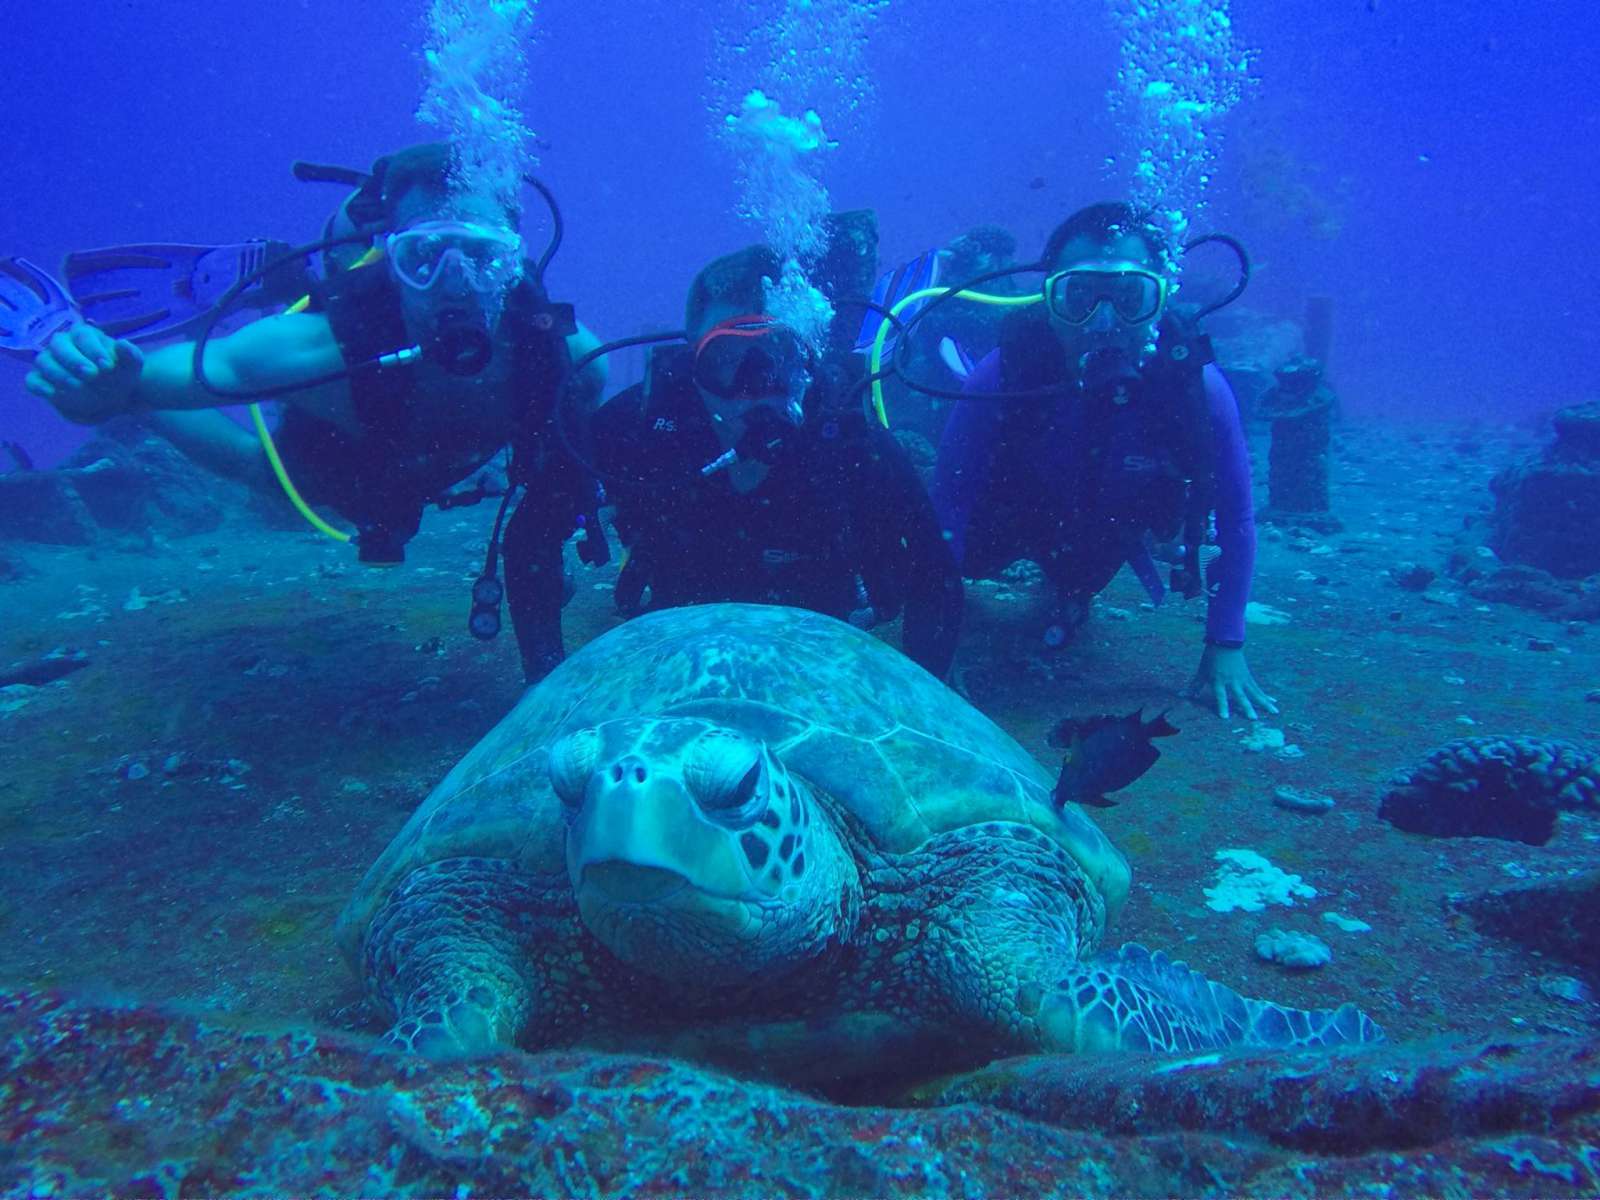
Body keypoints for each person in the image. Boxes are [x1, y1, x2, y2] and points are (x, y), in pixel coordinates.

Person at [22, 142, 607, 684]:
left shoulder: (569, 361)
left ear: (513, 265)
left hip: (427, 460)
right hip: (350, 451)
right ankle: (281, 281)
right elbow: (142, 385)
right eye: (423, 256)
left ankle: (291, 274)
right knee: (262, 469)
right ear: (388, 258)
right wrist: (94, 379)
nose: (455, 285)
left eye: (483, 257)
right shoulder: (315, 349)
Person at [930, 203, 1276, 719]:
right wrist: (936, 625)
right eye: (1080, 297)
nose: (1105, 322)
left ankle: (1067, 592)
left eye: (1131, 298)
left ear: (1160, 300)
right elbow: (950, 500)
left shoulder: (1198, 390)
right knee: (965, 555)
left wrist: (1226, 645)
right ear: (1050, 302)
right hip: (1011, 516)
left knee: (1078, 583)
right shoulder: (1000, 376)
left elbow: (1236, 517)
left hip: (1105, 532)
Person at [589, 245, 964, 678]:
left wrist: (928, 686)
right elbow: (536, 533)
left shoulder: (851, 442)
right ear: (693, 364)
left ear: (804, 361)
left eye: (777, 356)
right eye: (726, 360)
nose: (755, 387)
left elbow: (935, 575)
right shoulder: (632, 429)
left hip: (818, 651)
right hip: (678, 639)